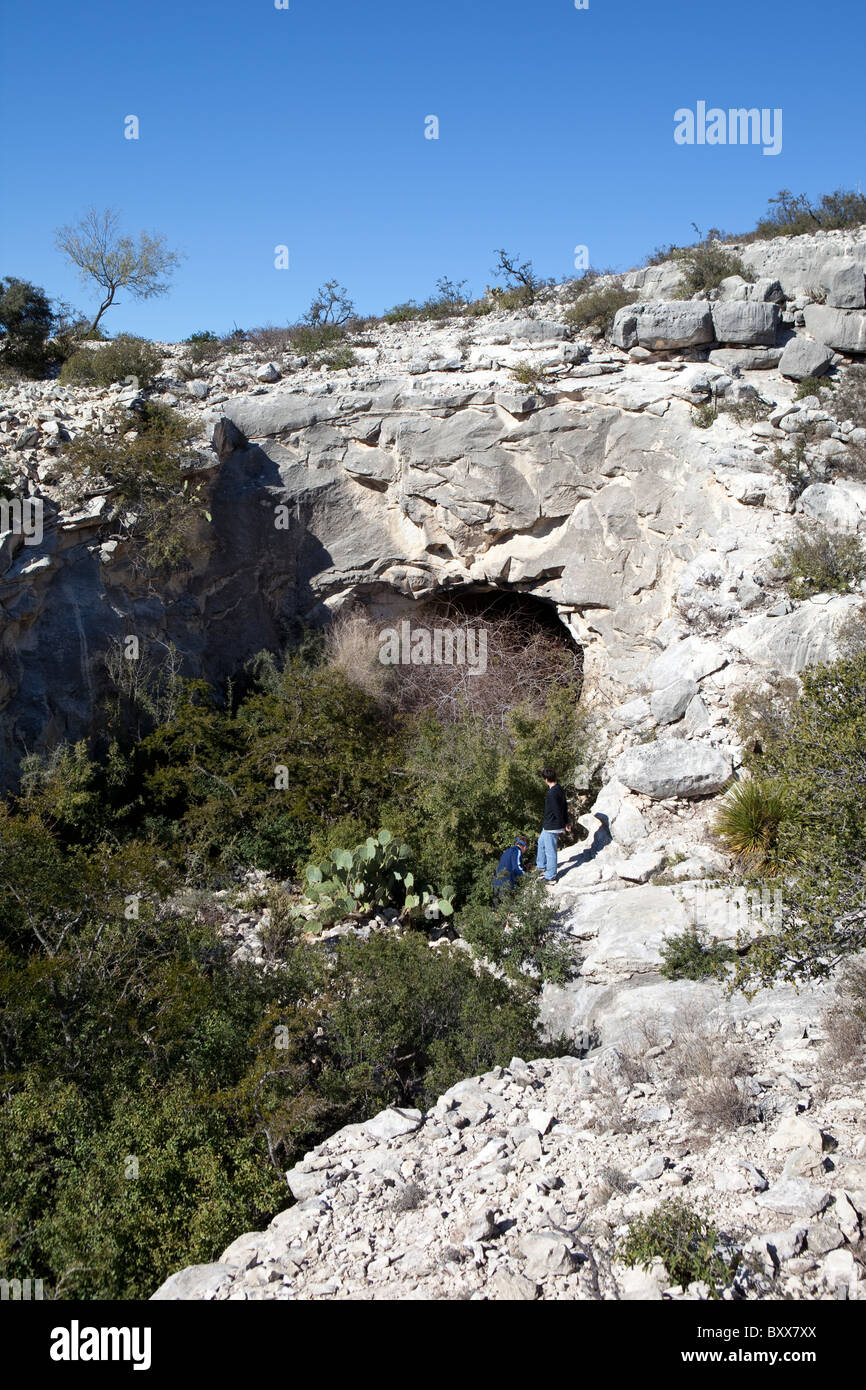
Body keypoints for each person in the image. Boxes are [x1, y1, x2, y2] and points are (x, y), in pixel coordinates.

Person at [536, 768, 570, 883]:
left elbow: (557, 811)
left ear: (546, 780)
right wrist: (566, 821)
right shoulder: (559, 788)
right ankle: (542, 867)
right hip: (549, 825)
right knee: (541, 842)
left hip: (552, 826)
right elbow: (565, 806)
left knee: (550, 852)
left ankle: (550, 877)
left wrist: (563, 824)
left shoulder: (552, 793)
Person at [492, 834, 528, 905]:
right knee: (509, 910)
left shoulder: (507, 851)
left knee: (496, 911)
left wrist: (524, 867)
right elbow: (516, 868)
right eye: (526, 847)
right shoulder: (517, 851)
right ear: (523, 846)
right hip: (506, 886)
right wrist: (528, 876)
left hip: (496, 885)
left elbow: (508, 865)